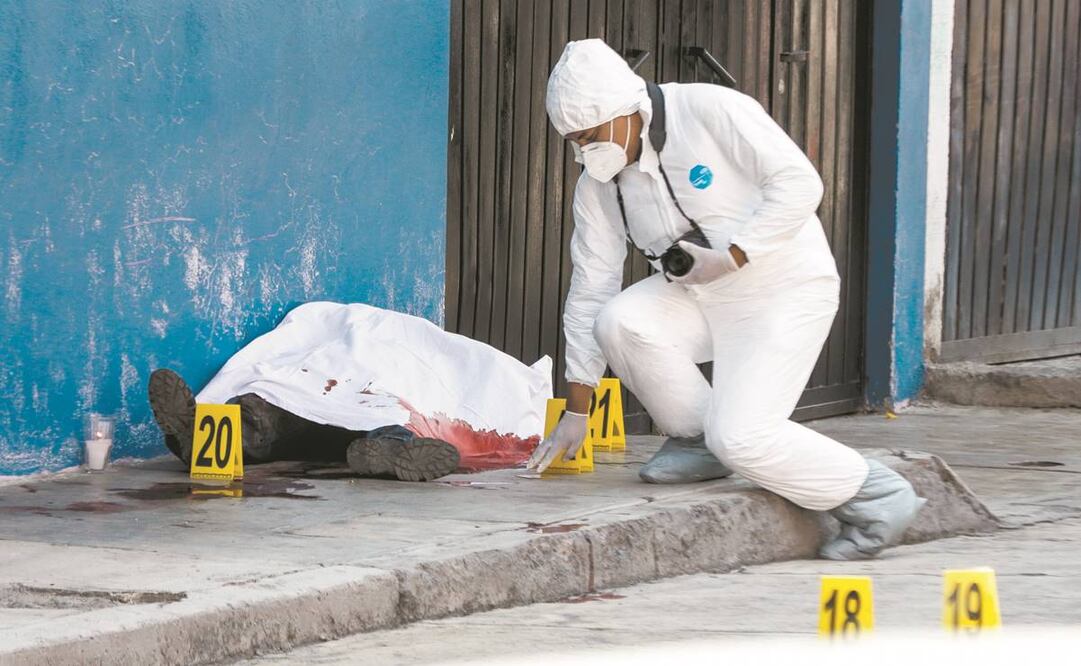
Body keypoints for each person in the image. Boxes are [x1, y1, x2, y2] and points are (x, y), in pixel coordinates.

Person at [528, 39, 925, 560]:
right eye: (573, 142)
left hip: (783, 289)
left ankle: (876, 494)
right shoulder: (600, 185)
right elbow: (591, 285)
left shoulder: (711, 110)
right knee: (618, 319)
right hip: (699, 295)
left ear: (627, 112)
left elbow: (800, 183)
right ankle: (696, 439)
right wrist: (578, 406)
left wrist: (737, 253)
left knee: (744, 438)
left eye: (590, 136)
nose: (584, 152)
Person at [149, 301, 551, 481]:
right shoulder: (383, 332)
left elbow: (449, 373)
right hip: (333, 398)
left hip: (330, 396)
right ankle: (199, 436)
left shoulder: (434, 350)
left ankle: (214, 432)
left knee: (282, 411)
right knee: (296, 405)